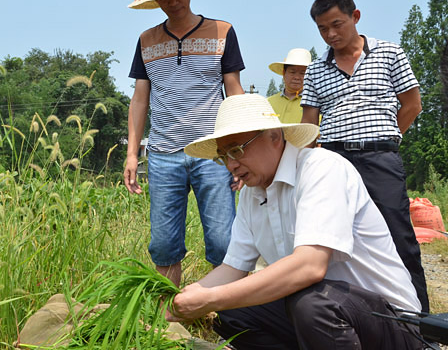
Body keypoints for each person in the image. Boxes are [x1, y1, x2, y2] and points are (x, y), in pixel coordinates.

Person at [167, 93, 425, 350]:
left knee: (312, 302)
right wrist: (175, 304)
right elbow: (232, 269)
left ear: (275, 137)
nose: (231, 165)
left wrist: (211, 299)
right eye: (223, 156)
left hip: (392, 323)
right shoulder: (250, 194)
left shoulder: (321, 168)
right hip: (327, 319)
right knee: (235, 312)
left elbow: (310, 267)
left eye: (237, 149)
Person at [300, 0, 429, 312]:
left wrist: (385, 138)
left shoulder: (389, 53)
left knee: (399, 237)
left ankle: (421, 326)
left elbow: (412, 105)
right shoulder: (315, 70)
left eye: (337, 24)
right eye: (322, 29)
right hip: (332, 159)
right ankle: (349, 316)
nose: (330, 34)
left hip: (379, 158)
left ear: (355, 17)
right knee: (333, 240)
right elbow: (309, 126)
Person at [124, 0, 245, 286]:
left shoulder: (222, 32)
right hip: (164, 155)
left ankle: (226, 319)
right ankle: (170, 324)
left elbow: (234, 91)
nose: (173, 0)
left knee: (223, 242)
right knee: (164, 245)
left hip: (213, 153)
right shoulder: (147, 40)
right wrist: (133, 154)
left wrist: (240, 148)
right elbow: (139, 99)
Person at [267, 48, 312, 123]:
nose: (297, 77)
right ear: (284, 73)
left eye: (302, 73)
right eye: (292, 72)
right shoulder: (268, 103)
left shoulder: (313, 103)